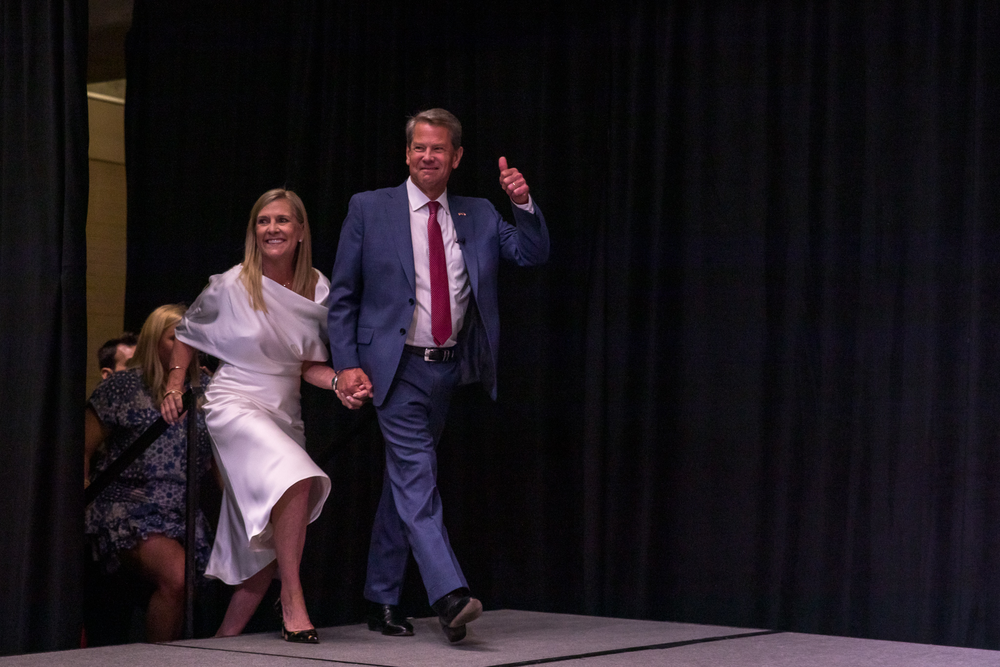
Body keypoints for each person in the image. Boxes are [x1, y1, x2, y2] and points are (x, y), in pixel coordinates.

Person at [328, 108, 550, 642]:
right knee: (417, 479)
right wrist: (346, 365)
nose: (428, 156)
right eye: (419, 148)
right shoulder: (369, 208)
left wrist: (521, 204)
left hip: (448, 373)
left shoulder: (476, 213)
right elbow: (342, 298)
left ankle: (381, 598)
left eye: (439, 149)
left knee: (404, 485)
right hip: (394, 369)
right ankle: (450, 596)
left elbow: (532, 253)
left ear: (456, 157)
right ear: (407, 154)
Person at [161, 188, 341, 643]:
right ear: (253, 231)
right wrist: (174, 384)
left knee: (259, 545)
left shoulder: (321, 287)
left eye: (282, 221)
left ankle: (222, 644)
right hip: (234, 402)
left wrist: (340, 382)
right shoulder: (232, 282)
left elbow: (306, 365)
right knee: (298, 477)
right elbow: (186, 333)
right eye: (263, 221)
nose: (272, 229)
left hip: (285, 409)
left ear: (300, 231)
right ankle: (294, 601)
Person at [84, 305, 213, 643]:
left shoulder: (209, 389)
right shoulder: (124, 387)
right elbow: (81, 449)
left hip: (183, 513)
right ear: (156, 341)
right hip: (127, 507)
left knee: (190, 583)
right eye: (177, 337)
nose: (188, 345)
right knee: (177, 575)